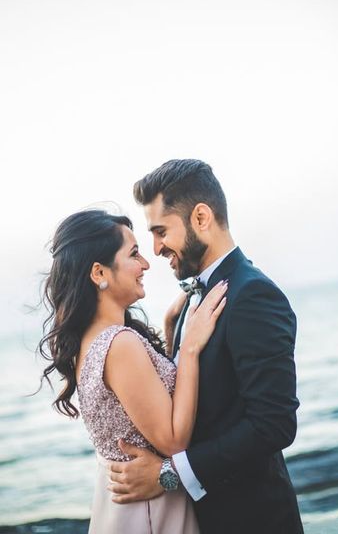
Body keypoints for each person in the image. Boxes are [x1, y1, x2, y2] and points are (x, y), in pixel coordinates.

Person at [108, 159, 304, 534]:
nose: (156, 247)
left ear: (201, 218)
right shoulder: (192, 300)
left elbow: (273, 424)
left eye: (161, 231)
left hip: (252, 520)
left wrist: (169, 474)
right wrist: (171, 338)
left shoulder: (253, 295)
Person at [37, 209, 227, 533]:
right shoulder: (120, 344)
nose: (146, 264)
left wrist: (170, 334)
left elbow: (144, 401)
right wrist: (190, 349)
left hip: (125, 512)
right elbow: (172, 440)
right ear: (99, 272)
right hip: (151, 512)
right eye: (134, 254)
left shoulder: (90, 341)